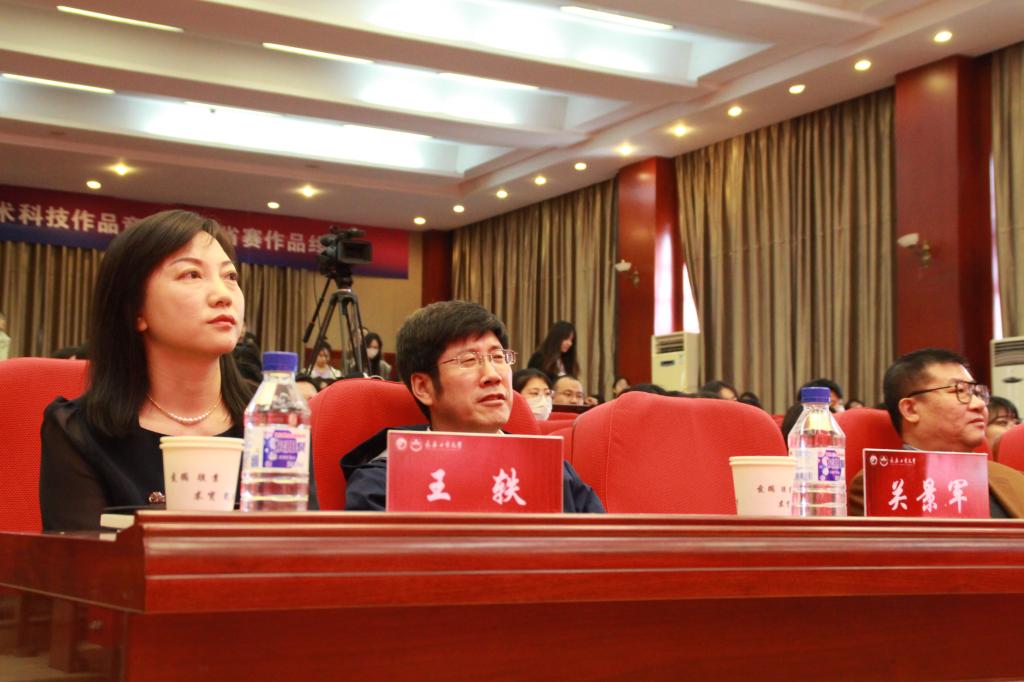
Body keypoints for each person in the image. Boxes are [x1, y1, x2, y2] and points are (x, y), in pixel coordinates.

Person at [39, 210, 318, 530]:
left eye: (230, 277)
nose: (223, 295)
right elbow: (81, 559)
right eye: (192, 275)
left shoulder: (275, 421)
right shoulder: (79, 431)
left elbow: (304, 547)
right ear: (135, 309)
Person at [342, 300, 604, 512]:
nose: (493, 375)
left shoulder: (553, 470)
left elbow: (605, 552)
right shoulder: (384, 484)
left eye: (499, 357)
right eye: (468, 360)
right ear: (424, 387)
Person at [848, 348, 1024, 517]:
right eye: (959, 391)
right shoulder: (880, 481)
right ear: (911, 409)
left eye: (977, 393)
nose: (979, 404)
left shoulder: (1013, 477)